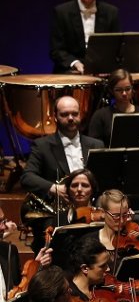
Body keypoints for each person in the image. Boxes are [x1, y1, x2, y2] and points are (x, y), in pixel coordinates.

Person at [21, 96, 105, 252]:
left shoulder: (96, 145)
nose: (71, 118)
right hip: (59, 214)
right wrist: (54, 188)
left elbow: (105, 180)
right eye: (65, 114)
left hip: (91, 208)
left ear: (81, 114)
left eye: (75, 113)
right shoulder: (42, 146)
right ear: (55, 117)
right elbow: (27, 177)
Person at [49, 0, 121, 74]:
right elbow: (56, 50)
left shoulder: (111, 12)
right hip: (70, 72)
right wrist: (75, 63)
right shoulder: (61, 12)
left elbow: (116, 47)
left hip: (101, 72)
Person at [86, 69, 136, 145]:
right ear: (111, 91)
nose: (124, 93)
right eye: (119, 90)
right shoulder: (100, 116)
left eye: (128, 89)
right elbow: (94, 146)